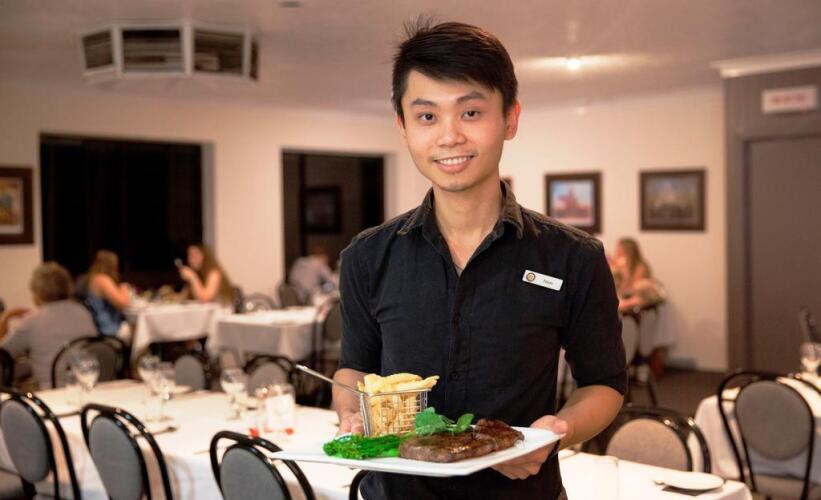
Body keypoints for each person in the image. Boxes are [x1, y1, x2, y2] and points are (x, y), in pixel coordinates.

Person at [332, 21, 626, 499]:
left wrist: (557, 431)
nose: (449, 136)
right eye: (427, 116)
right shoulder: (368, 256)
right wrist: (353, 412)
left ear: (510, 118)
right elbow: (354, 369)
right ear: (402, 126)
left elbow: (604, 384)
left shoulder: (573, 257)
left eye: (470, 112)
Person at [0, 262, 96, 389]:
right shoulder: (83, 312)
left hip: (49, 390)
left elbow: (3, 353)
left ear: (38, 292)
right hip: (85, 384)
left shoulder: (33, 320)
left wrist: (6, 317)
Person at [85, 250, 130, 336]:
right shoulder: (102, 280)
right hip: (108, 328)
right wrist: (124, 288)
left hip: (99, 325)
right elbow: (123, 304)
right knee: (138, 329)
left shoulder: (92, 278)